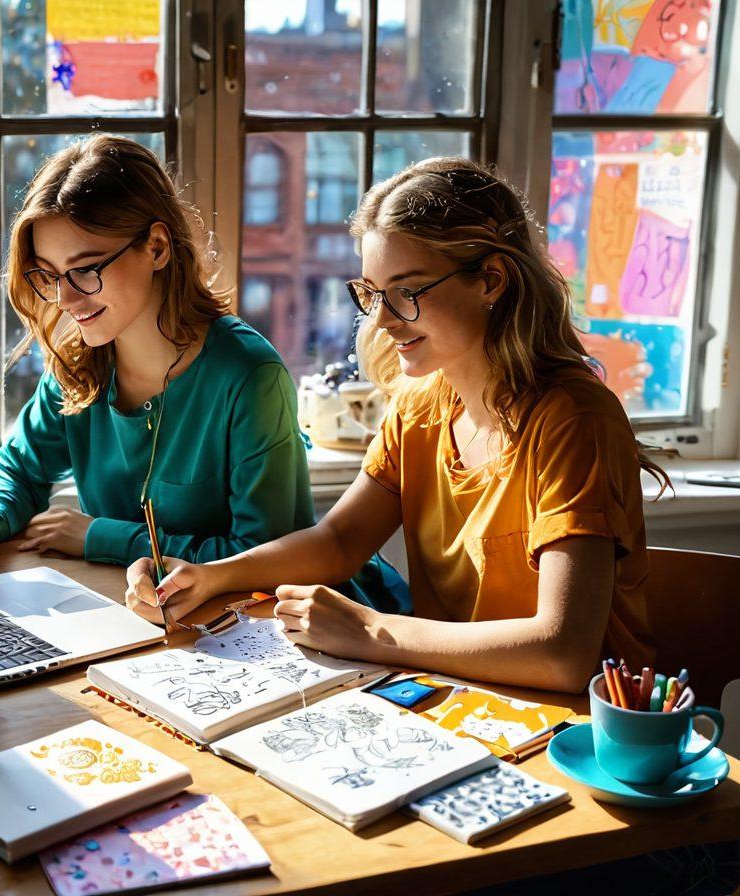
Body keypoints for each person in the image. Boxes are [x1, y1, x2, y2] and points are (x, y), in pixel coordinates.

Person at [127, 157, 669, 694]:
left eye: (406, 292)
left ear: (491, 279)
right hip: (464, 697)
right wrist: (212, 575)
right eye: (371, 293)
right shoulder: (423, 402)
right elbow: (339, 541)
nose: (381, 321)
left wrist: (371, 629)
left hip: (579, 726)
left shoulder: (573, 419)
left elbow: (562, 655)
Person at [0, 135, 322, 587]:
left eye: (86, 269)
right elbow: (18, 471)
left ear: (156, 247)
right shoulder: (79, 365)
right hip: (134, 618)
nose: (65, 298)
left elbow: (262, 559)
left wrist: (103, 536)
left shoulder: (250, 378)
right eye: (49, 275)